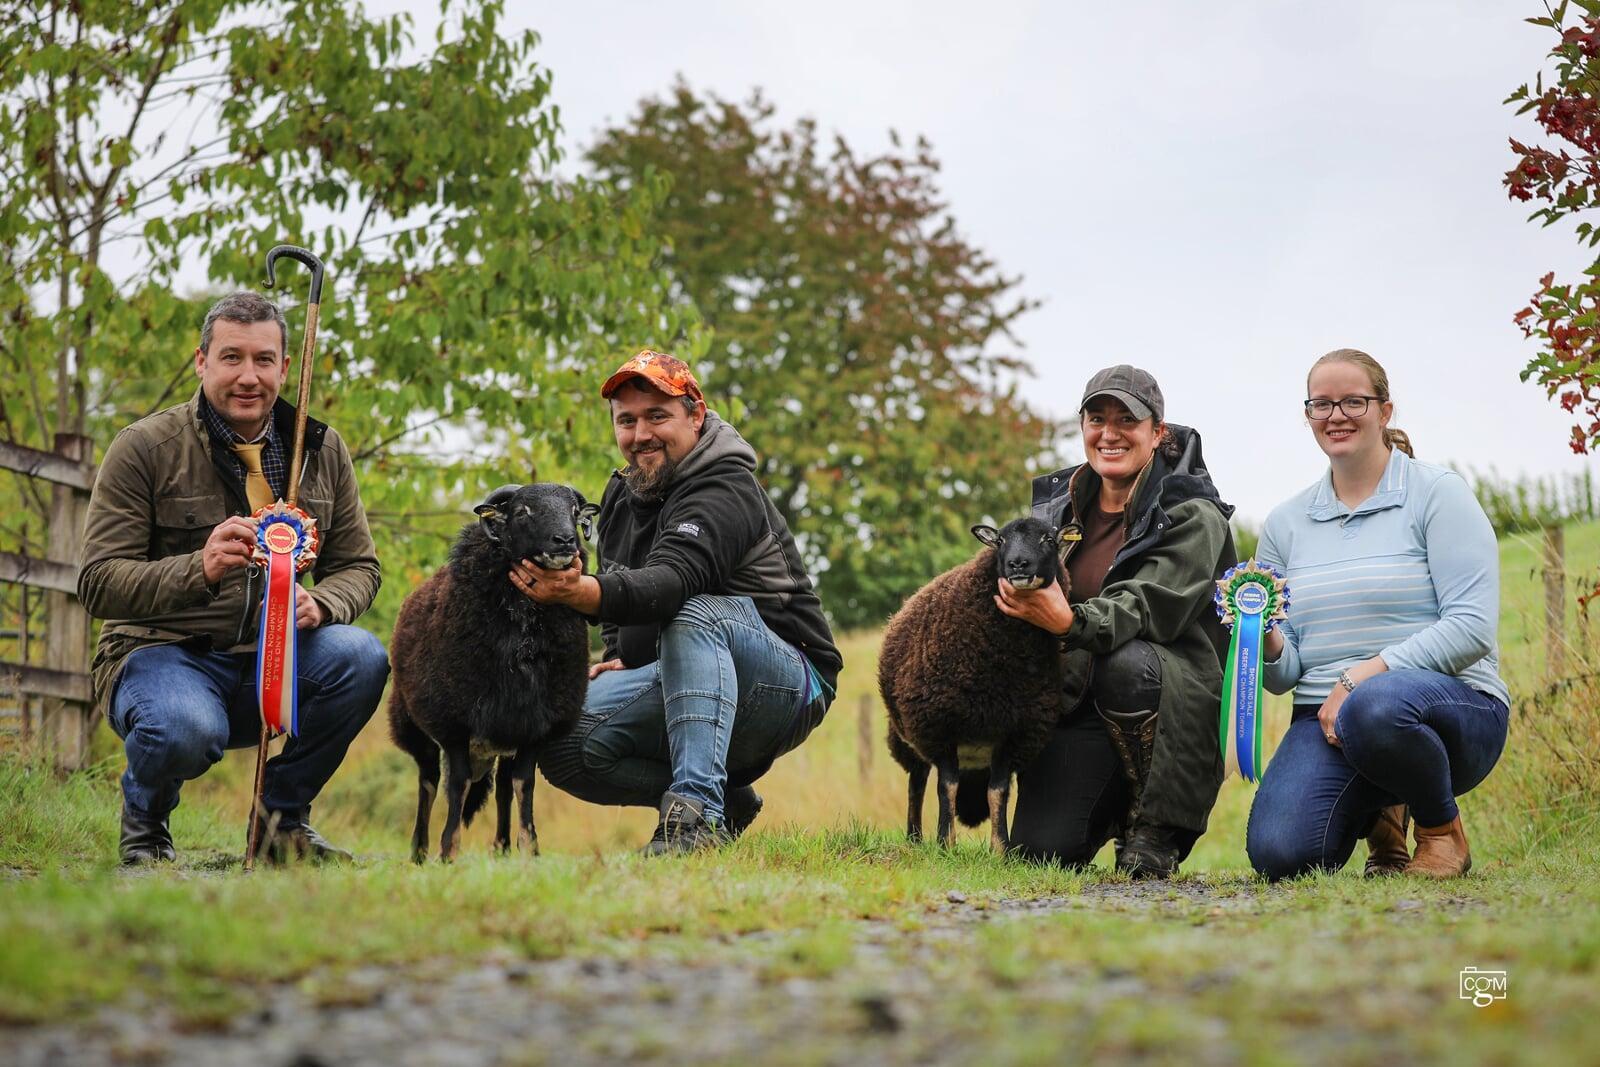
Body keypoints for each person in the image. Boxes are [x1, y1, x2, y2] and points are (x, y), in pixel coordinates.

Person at [78, 291, 389, 867]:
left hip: (275, 663)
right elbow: (97, 582)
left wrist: (323, 604)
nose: (249, 376)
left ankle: (279, 825)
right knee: (184, 729)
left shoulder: (320, 449)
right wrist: (198, 567)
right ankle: (146, 826)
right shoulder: (143, 447)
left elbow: (360, 567)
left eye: (264, 359)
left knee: (362, 658)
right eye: (231, 357)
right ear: (202, 362)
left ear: (285, 367)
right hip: (161, 656)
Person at [519, 350, 842, 853]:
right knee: (559, 737)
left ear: (695, 415)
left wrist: (578, 592)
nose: (640, 434)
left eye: (657, 416)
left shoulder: (726, 485)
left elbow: (673, 582)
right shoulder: (620, 498)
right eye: (626, 421)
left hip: (790, 682)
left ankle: (695, 820)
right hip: (683, 674)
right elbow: (621, 603)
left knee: (695, 611)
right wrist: (619, 657)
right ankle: (727, 799)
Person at [1246, 349, 1509, 880]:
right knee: (1280, 856)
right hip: (1324, 717)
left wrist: (1361, 676)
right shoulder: (1285, 523)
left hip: (1447, 710)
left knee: (1374, 707)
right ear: (1307, 414)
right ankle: (1385, 811)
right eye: (1321, 404)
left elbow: (1472, 627)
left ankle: (1440, 831)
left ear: (1385, 411)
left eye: (1353, 402)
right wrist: (1266, 636)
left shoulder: (1438, 494)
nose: (1335, 415)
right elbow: (1283, 677)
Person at [997, 365, 1237, 878]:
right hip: (1076, 701)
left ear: (1158, 432)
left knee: (1126, 661)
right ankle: (1099, 807)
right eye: (1097, 419)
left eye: (1127, 420)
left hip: (1164, 698)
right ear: (1082, 426)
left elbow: (1147, 605)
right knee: (1041, 853)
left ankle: (1154, 827)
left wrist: (1069, 622)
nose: (1110, 433)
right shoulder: (1054, 513)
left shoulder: (1193, 513)